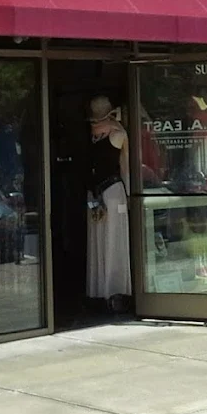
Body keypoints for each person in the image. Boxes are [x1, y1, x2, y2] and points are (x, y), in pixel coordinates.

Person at [86, 96, 131, 311]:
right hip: (113, 191)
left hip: (93, 193)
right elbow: (125, 166)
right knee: (116, 240)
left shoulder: (92, 135)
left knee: (98, 240)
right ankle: (115, 289)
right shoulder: (118, 134)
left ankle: (99, 289)